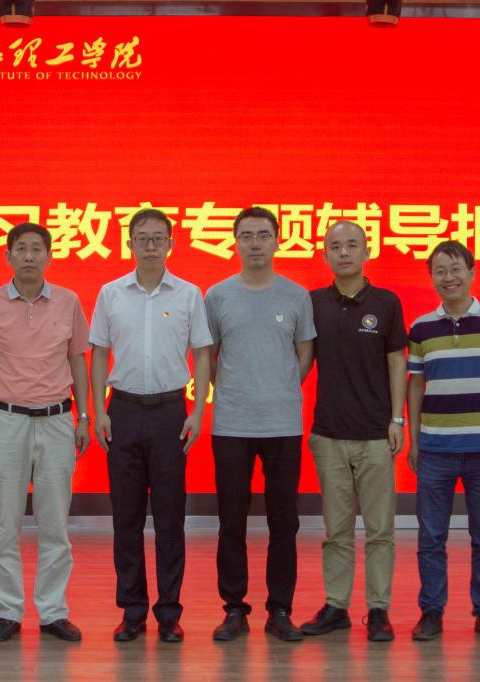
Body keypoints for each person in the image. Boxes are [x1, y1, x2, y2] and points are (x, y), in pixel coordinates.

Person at [89, 208, 213, 643]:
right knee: (126, 518)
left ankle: (169, 612)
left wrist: (197, 412)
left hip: (170, 413)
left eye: (158, 238)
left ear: (171, 244)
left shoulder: (188, 294)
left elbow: (202, 353)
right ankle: (132, 611)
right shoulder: (110, 293)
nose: (150, 246)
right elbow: (99, 352)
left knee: (169, 518)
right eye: (141, 238)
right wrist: (99, 411)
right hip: (122, 411)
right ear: (129, 243)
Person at [0, 222, 91, 643]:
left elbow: (77, 360)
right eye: (21, 249)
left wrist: (84, 416)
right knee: (5, 524)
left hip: (57, 420)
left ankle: (53, 612)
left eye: (38, 249)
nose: (30, 256)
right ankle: (8, 611)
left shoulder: (68, 301)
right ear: (8, 255)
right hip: (5, 420)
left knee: (55, 524)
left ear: (50, 255)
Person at [204, 206, 316, 642]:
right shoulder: (218, 295)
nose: (255, 243)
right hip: (231, 423)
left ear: (277, 240)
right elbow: (210, 357)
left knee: (283, 522)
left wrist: (278, 387)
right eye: (246, 235)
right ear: (235, 242)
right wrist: (238, 389)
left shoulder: (296, 296)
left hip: (282, 423)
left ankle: (280, 609)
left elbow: (304, 355)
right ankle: (234, 609)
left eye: (263, 235)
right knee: (231, 520)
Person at [406, 240, 480, 643]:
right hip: (435, 449)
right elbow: (415, 386)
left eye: (455, 269)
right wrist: (414, 440)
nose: (448, 277)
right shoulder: (421, 327)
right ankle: (431, 612)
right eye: (439, 271)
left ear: (471, 272)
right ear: (432, 278)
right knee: (430, 538)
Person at [300, 220, 407, 642]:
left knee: (380, 530)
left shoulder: (386, 302)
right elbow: (302, 362)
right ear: (324, 254)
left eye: (351, 245)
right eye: (334, 246)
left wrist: (397, 419)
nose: (343, 252)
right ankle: (336, 606)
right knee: (337, 531)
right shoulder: (312, 303)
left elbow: (397, 362)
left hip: (376, 436)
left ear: (367, 250)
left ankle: (378, 609)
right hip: (328, 435)